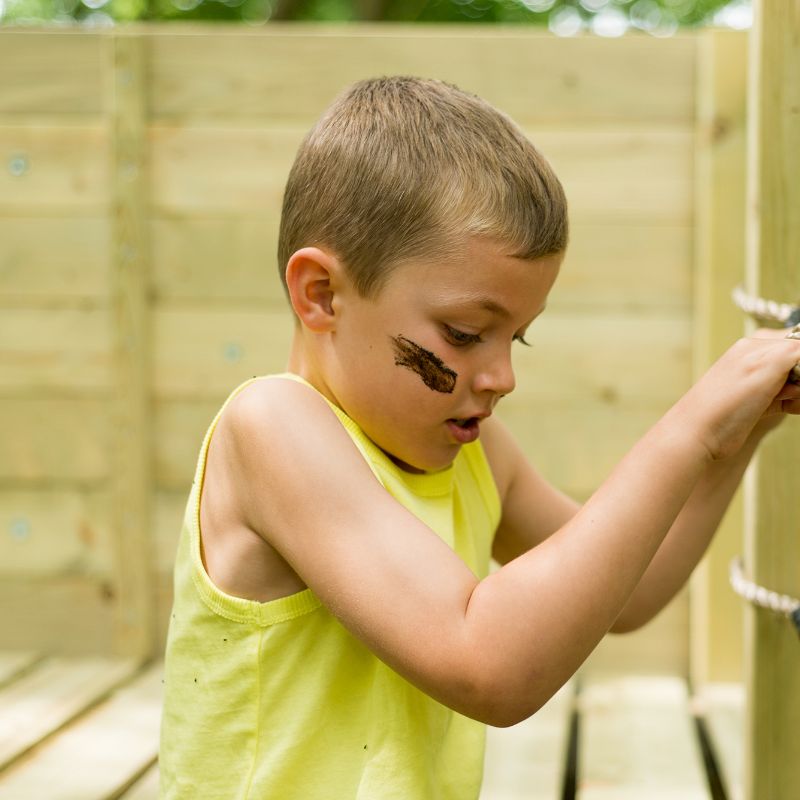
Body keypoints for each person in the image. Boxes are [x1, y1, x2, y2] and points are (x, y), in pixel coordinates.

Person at [158, 76, 800, 800]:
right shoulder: (272, 428)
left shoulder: (474, 456)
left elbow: (629, 592)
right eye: (465, 335)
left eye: (516, 339)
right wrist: (691, 426)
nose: (500, 376)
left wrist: (745, 429)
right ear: (321, 295)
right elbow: (487, 665)